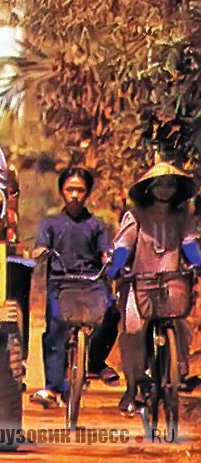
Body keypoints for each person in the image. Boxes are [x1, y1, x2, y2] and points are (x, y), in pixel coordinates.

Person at [107, 161, 201, 415]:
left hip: (171, 279)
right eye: (159, 184)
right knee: (134, 329)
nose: (164, 190)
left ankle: (179, 373)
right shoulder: (135, 215)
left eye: (170, 184)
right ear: (149, 188)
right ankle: (133, 384)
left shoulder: (183, 216)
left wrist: (197, 261)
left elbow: (190, 244)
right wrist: (117, 265)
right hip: (140, 281)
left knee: (181, 324)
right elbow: (124, 245)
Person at [30, 168, 120, 409]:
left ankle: (95, 361)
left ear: (87, 193)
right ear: (62, 191)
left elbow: (105, 251)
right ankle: (52, 387)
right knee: (56, 327)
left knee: (111, 313)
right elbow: (39, 247)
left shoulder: (96, 225)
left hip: (91, 282)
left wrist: (108, 258)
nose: (74, 195)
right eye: (70, 189)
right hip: (61, 282)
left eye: (80, 190)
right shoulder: (51, 223)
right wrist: (40, 252)